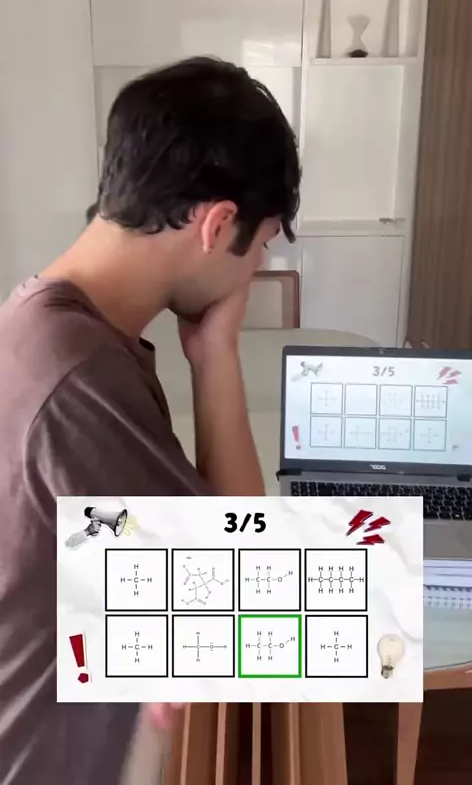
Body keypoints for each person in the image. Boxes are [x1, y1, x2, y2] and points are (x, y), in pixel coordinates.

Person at [0, 56, 300, 784]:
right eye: (262, 245)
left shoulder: (48, 325)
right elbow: (251, 593)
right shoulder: (80, 376)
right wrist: (220, 355)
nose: (255, 270)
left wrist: (211, 352)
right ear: (218, 224)